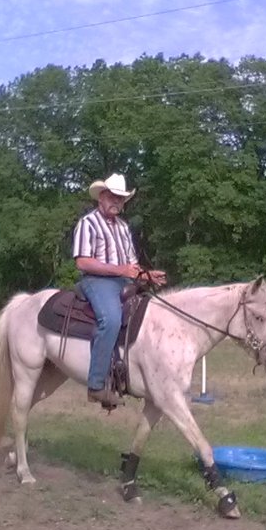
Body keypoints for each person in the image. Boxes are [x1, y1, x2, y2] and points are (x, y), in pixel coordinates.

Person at [73, 173, 166, 408]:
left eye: (121, 199)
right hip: (97, 281)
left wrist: (146, 274)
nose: (117, 202)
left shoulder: (124, 228)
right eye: (113, 197)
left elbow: (131, 265)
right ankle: (96, 385)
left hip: (125, 281)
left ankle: (133, 373)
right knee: (111, 319)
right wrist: (121, 270)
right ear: (101, 197)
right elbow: (83, 262)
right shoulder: (88, 223)